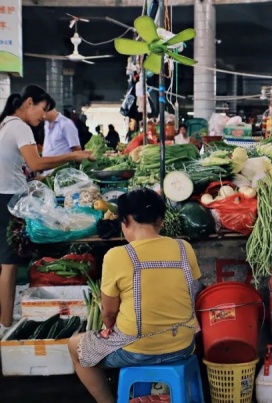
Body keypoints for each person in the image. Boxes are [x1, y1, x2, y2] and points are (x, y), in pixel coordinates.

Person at [68, 188, 201, 403]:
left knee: (75, 346)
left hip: (137, 350)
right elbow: (193, 288)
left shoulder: (117, 255)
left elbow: (109, 313)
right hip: (183, 346)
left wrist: (107, 328)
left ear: (126, 221)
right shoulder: (184, 248)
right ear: (160, 220)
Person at [0, 85, 94, 335]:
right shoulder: (20, 126)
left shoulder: (6, 123)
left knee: (4, 263)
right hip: (8, 200)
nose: (42, 116)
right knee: (8, 265)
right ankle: (6, 327)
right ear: (29, 102)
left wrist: (33, 181)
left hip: (5, 194)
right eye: (42, 109)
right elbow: (36, 162)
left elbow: (21, 166)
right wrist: (73, 157)